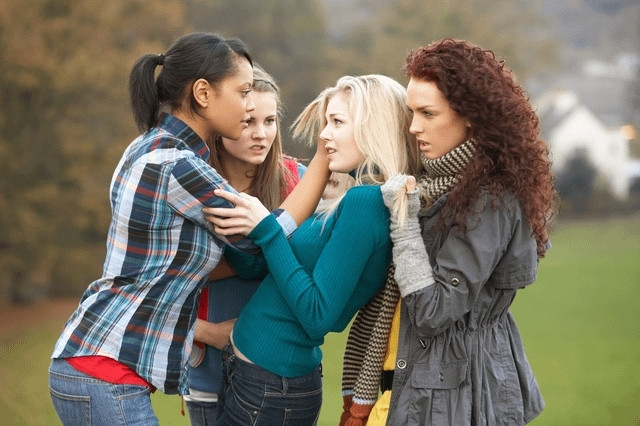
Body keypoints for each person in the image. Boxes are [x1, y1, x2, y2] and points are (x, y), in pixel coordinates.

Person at [48, 32, 329, 426]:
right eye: (243, 91)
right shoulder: (178, 166)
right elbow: (261, 239)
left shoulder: (148, 146)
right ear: (202, 93)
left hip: (94, 364)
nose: (249, 107)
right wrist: (323, 160)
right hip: (103, 372)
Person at [340, 38, 557, 426]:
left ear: (471, 116)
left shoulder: (490, 198)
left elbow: (433, 309)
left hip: (455, 400)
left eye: (427, 113)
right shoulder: (429, 181)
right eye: (411, 112)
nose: (413, 127)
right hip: (409, 389)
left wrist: (403, 223)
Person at [203, 74, 421, 425]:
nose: (324, 135)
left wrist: (267, 230)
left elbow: (320, 315)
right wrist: (251, 232)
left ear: (372, 127)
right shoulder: (355, 195)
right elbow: (261, 268)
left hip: (271, 387)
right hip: (261, 378)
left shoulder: (365, 204)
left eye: (337, 122)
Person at [183, 63, 306, 425]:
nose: (260, 134)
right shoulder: (191, 186)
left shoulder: (297, 183)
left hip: (284, 370)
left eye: (270, 122)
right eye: (249, 121)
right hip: (209, 366)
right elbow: (157, 285)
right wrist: (208, 333)